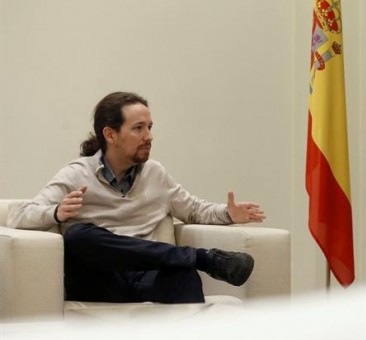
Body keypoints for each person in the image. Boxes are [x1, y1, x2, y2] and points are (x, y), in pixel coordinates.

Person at [8, 91, 266, 304]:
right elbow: (19, 216)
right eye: (138, 128)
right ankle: (201, 257)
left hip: (148, 278)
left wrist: (228, 214)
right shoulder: (77, 174)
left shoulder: (155, 173)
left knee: (184, 275)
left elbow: (194, 209)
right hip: (101, 282)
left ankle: (193, 267)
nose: (149, 137)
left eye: (150, 127)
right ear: (110, 134)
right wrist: (55, 213)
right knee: (78, 237)